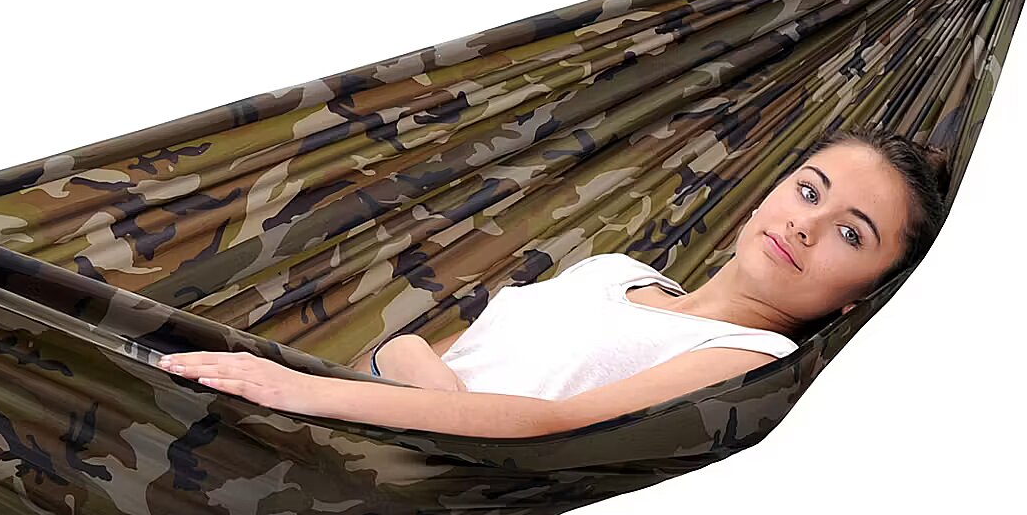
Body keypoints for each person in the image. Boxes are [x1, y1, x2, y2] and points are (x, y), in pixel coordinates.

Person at [153, 130, 951, 439]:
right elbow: (402, 357)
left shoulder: (750, 356)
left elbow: (553, 425)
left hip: (379, 465)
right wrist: (406, 360)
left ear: (863, 297)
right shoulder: (617, 271)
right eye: (809, 190)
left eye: (852, 232)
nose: (807, 225)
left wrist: (312, 387)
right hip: (343, 419)